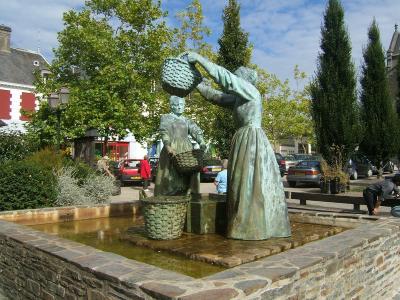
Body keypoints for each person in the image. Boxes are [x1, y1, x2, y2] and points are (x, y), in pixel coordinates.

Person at [186, 51, 291, 240]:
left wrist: (200, 59)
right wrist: (197, 82)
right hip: (243, 139)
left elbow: (227, 80)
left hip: (251, 140)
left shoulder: (251, 91)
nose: (235, 80)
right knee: (241, 183)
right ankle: (244, 223)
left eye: (237, 77)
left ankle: (252, 226)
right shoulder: (237, 99)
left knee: (251, 182)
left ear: (244, 80)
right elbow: (215, 96)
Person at [154, 96, 206, 196]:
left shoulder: (187, 120)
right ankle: (171, 196)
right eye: (176, 105)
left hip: (186, 149)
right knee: (171, 175)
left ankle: (189, 192)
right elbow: (164, 132)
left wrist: (202, 142)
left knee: (191, 169)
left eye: (181, 105)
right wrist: (167, 146)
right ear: (171, 106)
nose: (179, 107)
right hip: (172, 147)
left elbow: (195, 131)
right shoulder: (166, 118)